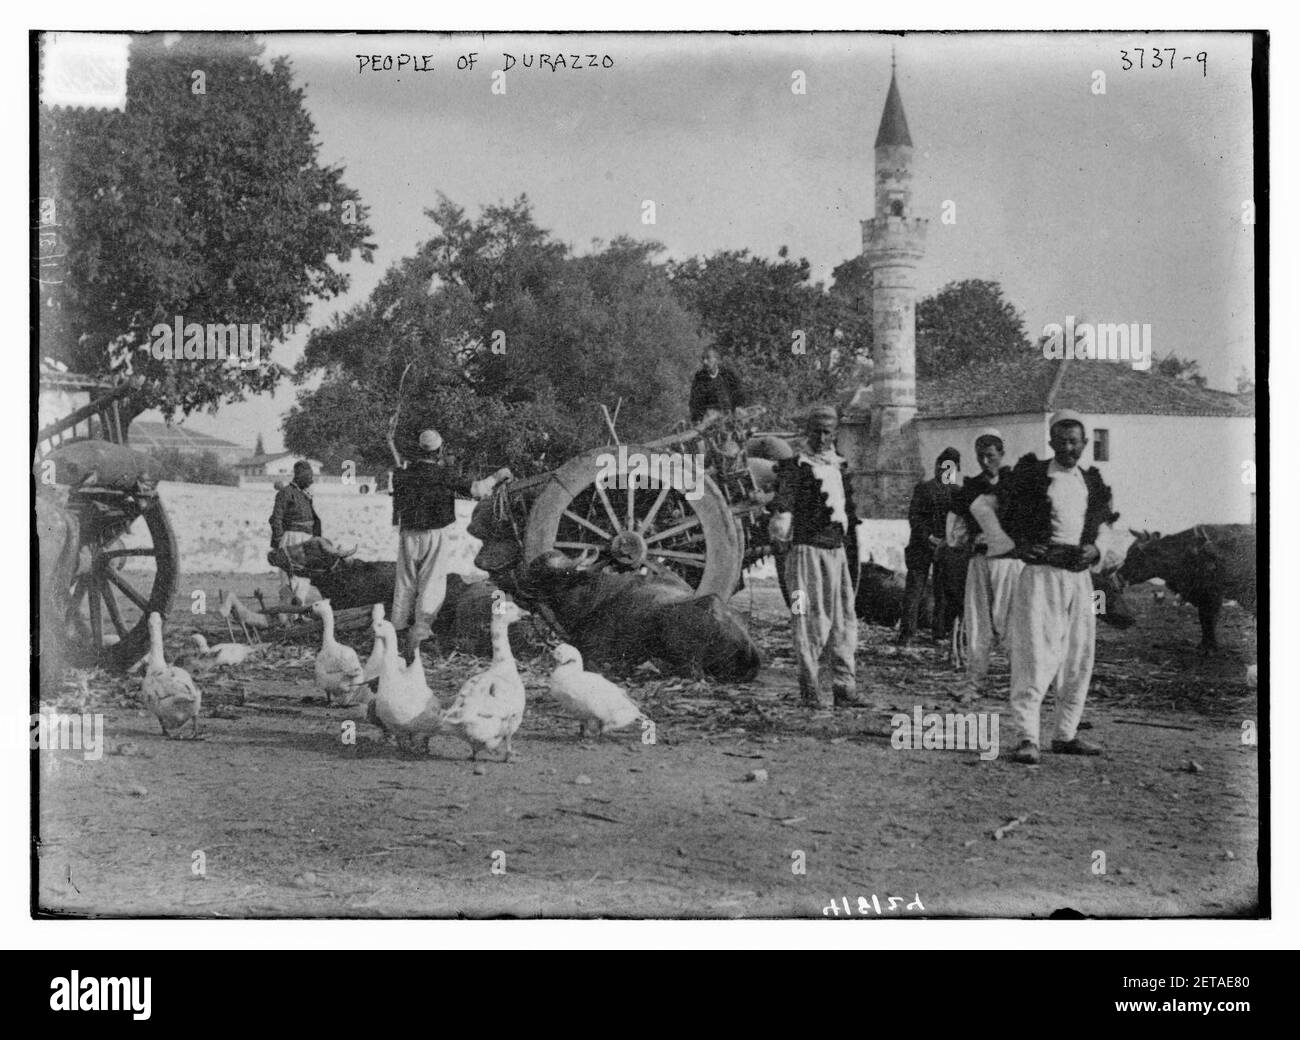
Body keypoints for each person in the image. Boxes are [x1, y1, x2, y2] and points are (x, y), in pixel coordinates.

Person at [973, 410, 1114, 765]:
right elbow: (982, 506)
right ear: (1051, 442)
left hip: (1079, 580)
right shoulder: (1032, 476)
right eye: (1062, 441)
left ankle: (1065, 734)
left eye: (1075, 442)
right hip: (1040, 578)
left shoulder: (1092, 481)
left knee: (1078, 656)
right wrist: (1014, 546)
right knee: (1034, 656)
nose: (1068, 447)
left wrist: (1096, 549)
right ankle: (1027, 737)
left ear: (1084, 444)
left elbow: (1105, 526)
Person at [768, 405, 867, 708]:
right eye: (817, 431)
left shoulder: (839, 466)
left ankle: (844, 687)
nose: (822, 437)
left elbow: (848, 515)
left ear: (836, 432)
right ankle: (810, 689)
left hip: (836, 554)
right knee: (809, 621)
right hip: (806, 554)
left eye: (828, 431)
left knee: (844, 621)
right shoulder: (796, 466)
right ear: (808, 432)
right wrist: (781, 523)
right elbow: (784, 502)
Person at [389, 428, 512, 659]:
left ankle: (396, 630)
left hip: (407, 534)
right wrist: (498, 476)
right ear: (439, 451)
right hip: (434, 534)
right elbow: (476, 489)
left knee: (404, 583)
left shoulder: (401, 474)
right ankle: (422, 631)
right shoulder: (443, 474)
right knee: (431, 584)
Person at [951, 429, 1022, 701]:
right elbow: (956, 531)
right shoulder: (970, 488)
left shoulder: (1016, 485)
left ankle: (1021, 683)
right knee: (977, 621)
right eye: (980, 456)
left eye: (990, 456)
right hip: (980, 560)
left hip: (1008, 563)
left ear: (1001, 455)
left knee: (1010, 623)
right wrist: (968, 540)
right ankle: (974, 683)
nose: (985, 461)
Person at [899, 448, 960, 645]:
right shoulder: (924, 489)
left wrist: (948, 541)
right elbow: (915, 518)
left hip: (945, 548)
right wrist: (930, 538)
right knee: (915, 590)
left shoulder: (957, 493)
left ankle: (939, 633)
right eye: (944, 467)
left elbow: (959, 522)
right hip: (921, 547)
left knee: (942, 592)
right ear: (937, 467)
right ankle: (907, 634)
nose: (947, 472)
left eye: (952, 468)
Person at [270, 461, 323, 605]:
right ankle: (287, 613)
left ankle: (299, 613)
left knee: (305, 578)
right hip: (292, 539)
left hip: (307, 540)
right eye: (308, 476)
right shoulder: (285, 493)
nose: (310, 480)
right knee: (290, 578)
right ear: (298, 475)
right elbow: (276, 518)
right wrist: (280, 542)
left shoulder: (305, 495)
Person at [688, 346, 747, 423]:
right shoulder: (700, 378)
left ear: (717, 359)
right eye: (703, 359)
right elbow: (695, 403)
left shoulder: (728, 373)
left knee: (743, 416)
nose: (705, 362)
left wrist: (738, 406)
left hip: (731, 413)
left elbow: (739, 391)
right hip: (711, 416)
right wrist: (698, 418)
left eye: (708, 358)